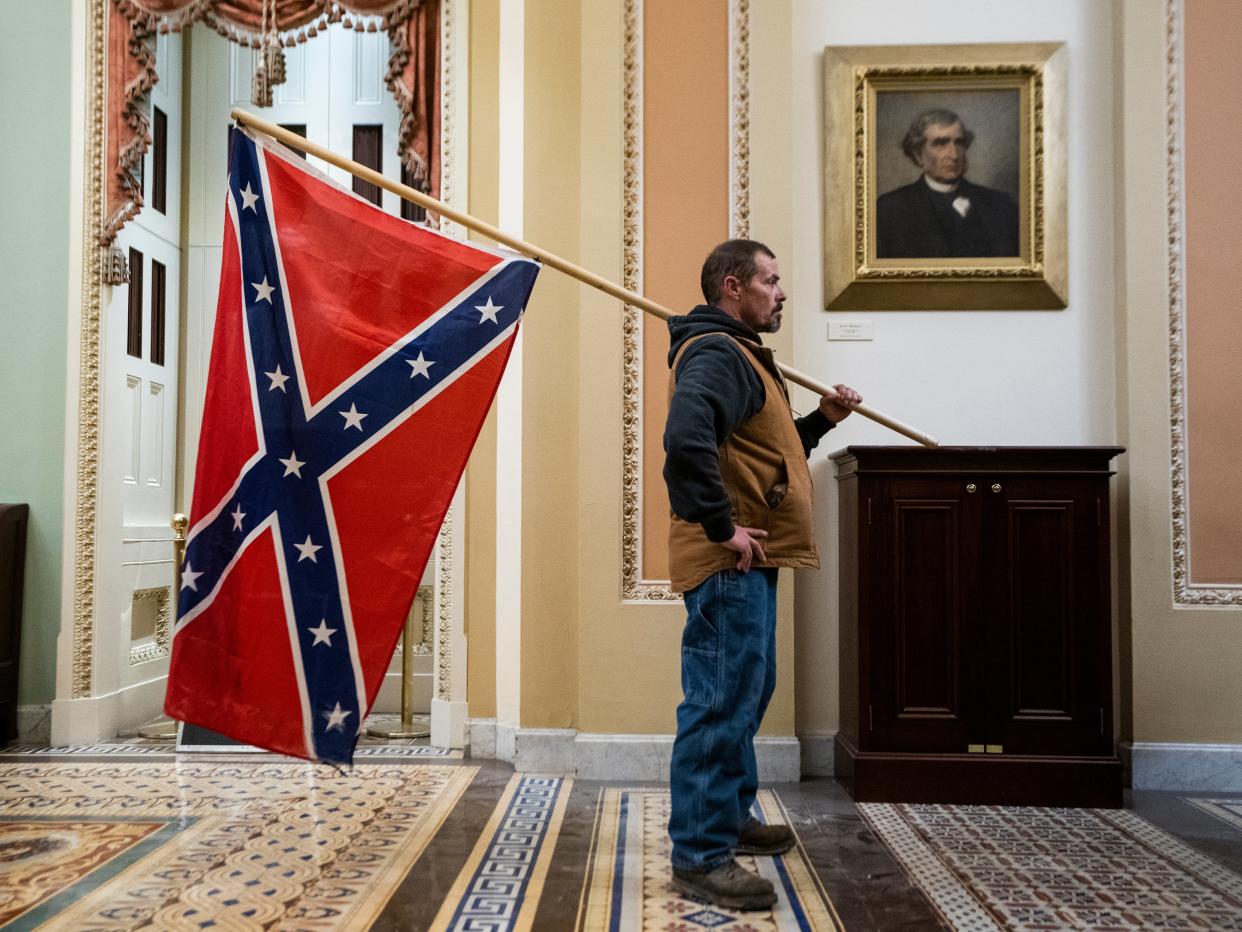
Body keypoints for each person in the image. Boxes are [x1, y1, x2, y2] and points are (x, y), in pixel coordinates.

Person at [663, 239, 861, 910]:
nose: (781, 293)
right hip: (729, 559)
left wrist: (821, 422)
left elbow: (767, 456)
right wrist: (721, 527)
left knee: (745, 690)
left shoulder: (741, 354)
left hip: (751, 557)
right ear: (731, 286)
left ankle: (731, 816)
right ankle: (698, 853)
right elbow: (686, 440)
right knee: (719, 702)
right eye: (770, 281)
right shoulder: (718, 353)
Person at [876, 108, 1019, 259]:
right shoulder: (889, 209)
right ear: (918, 154)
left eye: (959, 143)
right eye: (940, 144)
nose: (954, 155)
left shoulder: (1001, 204)